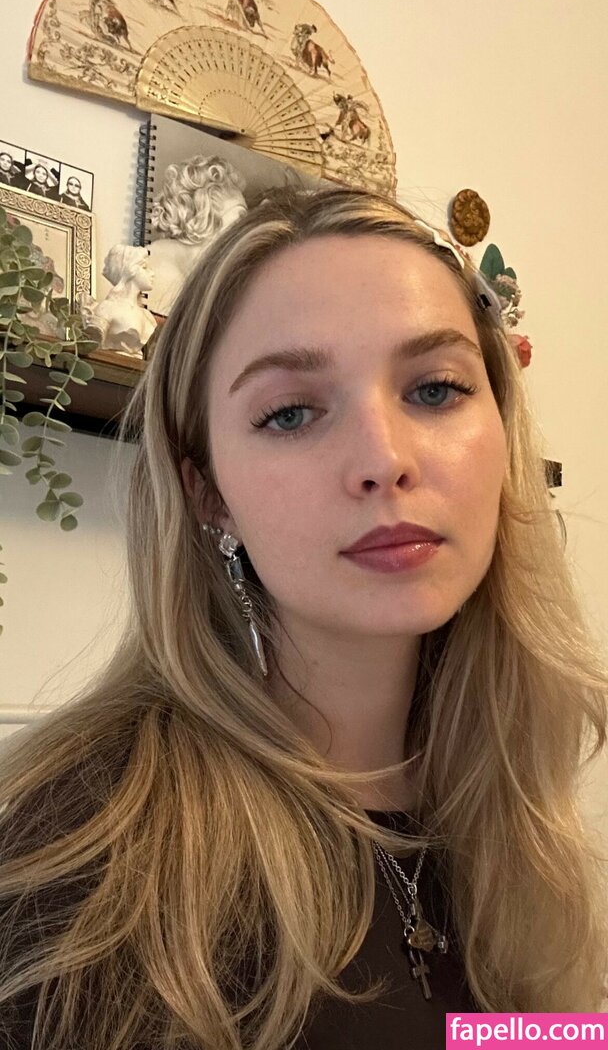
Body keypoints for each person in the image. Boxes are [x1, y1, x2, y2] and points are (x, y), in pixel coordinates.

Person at [0, 187, 607, 1050]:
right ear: (208, 491)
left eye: (436, 389)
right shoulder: (83, 860)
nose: (384, 459)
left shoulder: (513, 809)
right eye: (290, 412)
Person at [145, 153, 248, 317]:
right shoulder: (162, 269)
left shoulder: (188, 272)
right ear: (206, 213)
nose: (244, 232)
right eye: (240, 218)